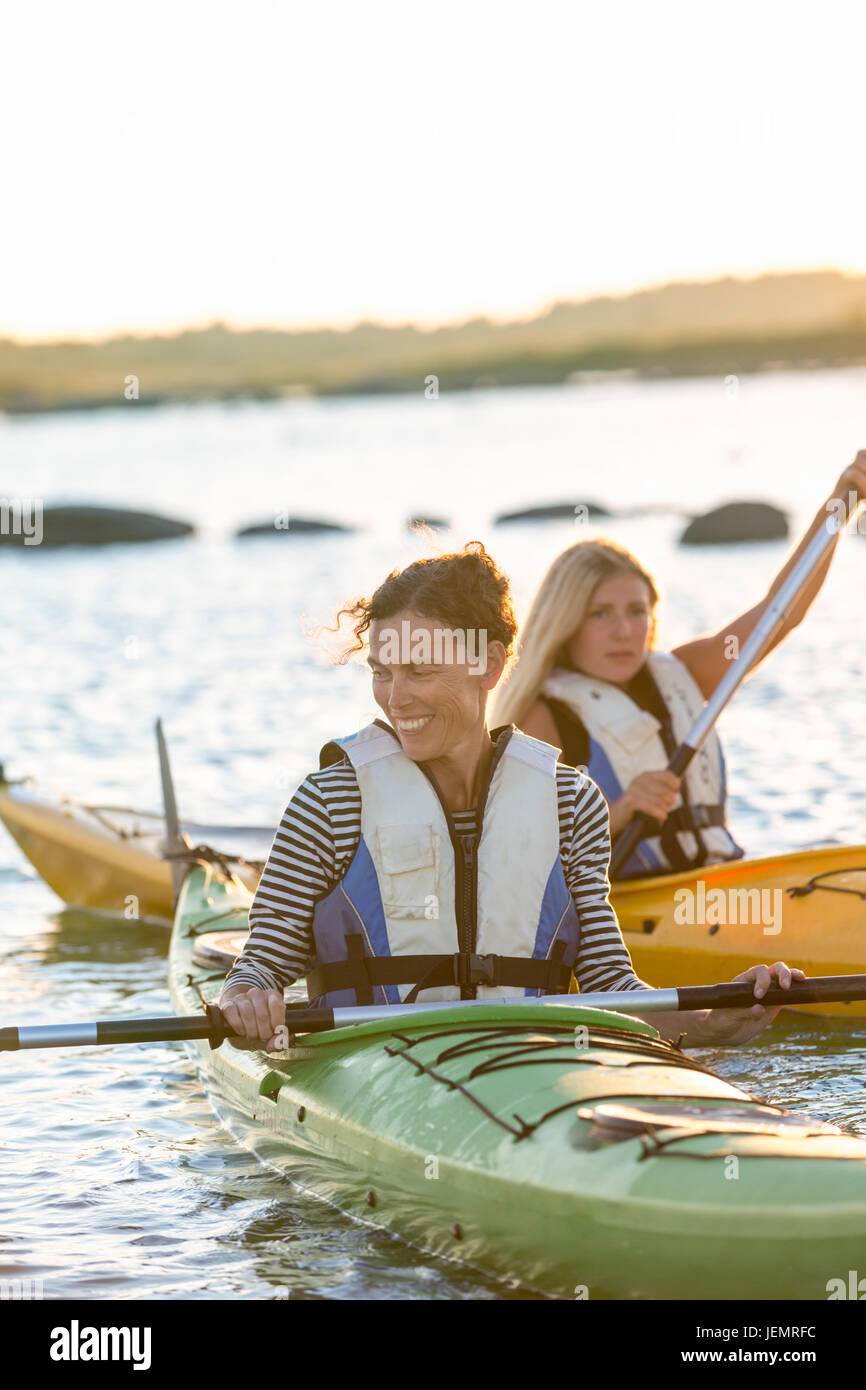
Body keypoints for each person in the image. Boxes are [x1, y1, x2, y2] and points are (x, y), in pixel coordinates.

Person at [220, 543, 801, 1052]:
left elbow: (608, 982)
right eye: (381, 672)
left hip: (526, 1060)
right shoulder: (332, 798)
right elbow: (262, 963)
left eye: (419, 672)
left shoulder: (570, 800)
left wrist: (710, 1021)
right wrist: (248, 997)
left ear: (490, 664)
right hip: (372, 1062)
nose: (395, 699)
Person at [491, 453, 866, 879]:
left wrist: (838, 506)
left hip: (721, 886)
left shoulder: (685, 670)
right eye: (600, 614)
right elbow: (519, 848)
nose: (624, 631)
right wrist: (619, 811)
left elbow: (779, 614)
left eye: (636, 611)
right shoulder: (540, 718)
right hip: (631, 908)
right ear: (565, 623)